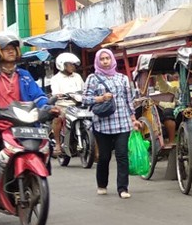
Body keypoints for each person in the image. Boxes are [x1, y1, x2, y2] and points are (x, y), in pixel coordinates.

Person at [0, 34, 58, 181]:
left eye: (13, 48)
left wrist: (47, 107)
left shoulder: (24, 75)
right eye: (6, 49)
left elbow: (38, 96)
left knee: (44, 144)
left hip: (22, 122)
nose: (11, 51)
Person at [82, 48, 139, 199]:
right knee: (104, 157)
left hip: (122, 123)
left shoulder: (122, 78)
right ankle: (102, 184)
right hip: (102, 124)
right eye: (102, 59)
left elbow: (129, 100)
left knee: (122, 156)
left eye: (108, 58)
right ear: (98, 61)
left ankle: (123, 188)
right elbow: (84, 99)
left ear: (112, 60)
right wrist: (100, 99)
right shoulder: (92, 78)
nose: (105, 61)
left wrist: (133, 119)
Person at [50, 52, 85, 158]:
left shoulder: (77, 76)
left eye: (73, 64)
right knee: (57, 118)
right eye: (70, 64)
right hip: (63, 105)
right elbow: (55, 92)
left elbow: (84, 89)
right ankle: (57, 143)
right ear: (62, 65)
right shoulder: (56, 79)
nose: (73, 67)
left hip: (77, 105)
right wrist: (58, 95)